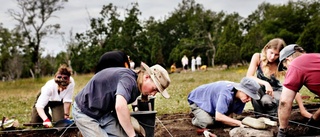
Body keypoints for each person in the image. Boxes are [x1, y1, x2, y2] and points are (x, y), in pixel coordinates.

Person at [72, 62, 171, 137]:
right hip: (85, 112)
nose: (153, 94)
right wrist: (132, 135)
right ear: (147, 77)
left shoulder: (137, 85)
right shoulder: (128, 80)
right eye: (155, 89)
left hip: (103, 113)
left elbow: (116, 105)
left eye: (157, 92)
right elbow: (120, 106)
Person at [246, 38, 311, 118]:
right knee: (252, 88)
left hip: (277, 91)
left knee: (266, 100)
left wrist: (302, 109)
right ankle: (259, 117)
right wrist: (266, 83)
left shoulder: (283, 64)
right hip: (262, 89)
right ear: (266, 48)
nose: (273, 57)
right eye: (271, 53)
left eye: (276, 54)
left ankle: (275, 119)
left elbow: (293, 86)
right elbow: (249, 76)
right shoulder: (257, 57)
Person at [277, 44, 320, 136]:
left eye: (285, 67)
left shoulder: (295, 64)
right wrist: (314, 119)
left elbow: (284, 102)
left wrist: (282, 131)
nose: (286, 70)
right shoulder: (317, 58)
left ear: (288, 60)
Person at [187, 77, 260, 129]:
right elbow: (219, 117)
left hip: (211, 102)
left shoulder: (242, 98)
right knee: (208, 122)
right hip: (198, 100)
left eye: (251, 97)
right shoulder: (226, 94)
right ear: (240, 90)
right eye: (248, 95)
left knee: (225, 120)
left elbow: (231, 114)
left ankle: (207, 113)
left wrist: (230, 121)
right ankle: (196, 117)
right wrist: (239, 123)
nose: (249, 99)